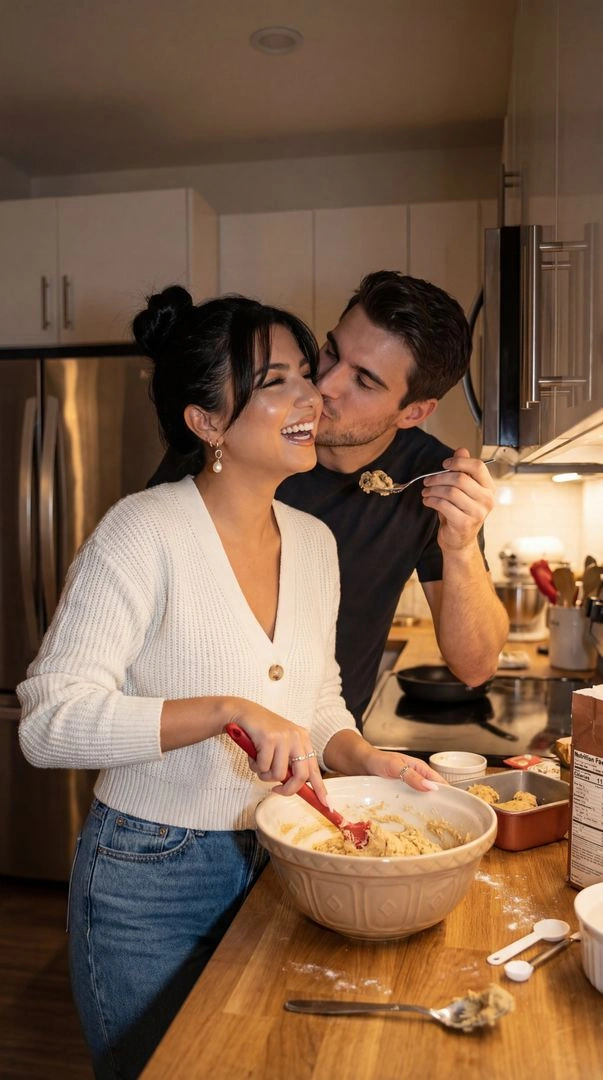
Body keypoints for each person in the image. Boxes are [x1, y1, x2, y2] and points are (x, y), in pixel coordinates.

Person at [17, 287, 442, 1080]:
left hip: (282, 859)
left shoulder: (313, 543)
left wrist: (364, 758)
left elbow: (315, 704)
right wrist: (224, 711)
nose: (310, 396)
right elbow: (47, 723)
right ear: (206, 423)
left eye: (300, 375)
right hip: (148, 880)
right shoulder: (141, 533)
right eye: (273, 381)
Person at [150, 271, 509, 723]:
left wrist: (459, 549)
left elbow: (476, 666)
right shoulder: (232, 445)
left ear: (414, 412)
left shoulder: (426, 480)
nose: (324, 385)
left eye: (364, 380)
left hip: (326, 749)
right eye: (331, 352)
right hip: (202, 751)